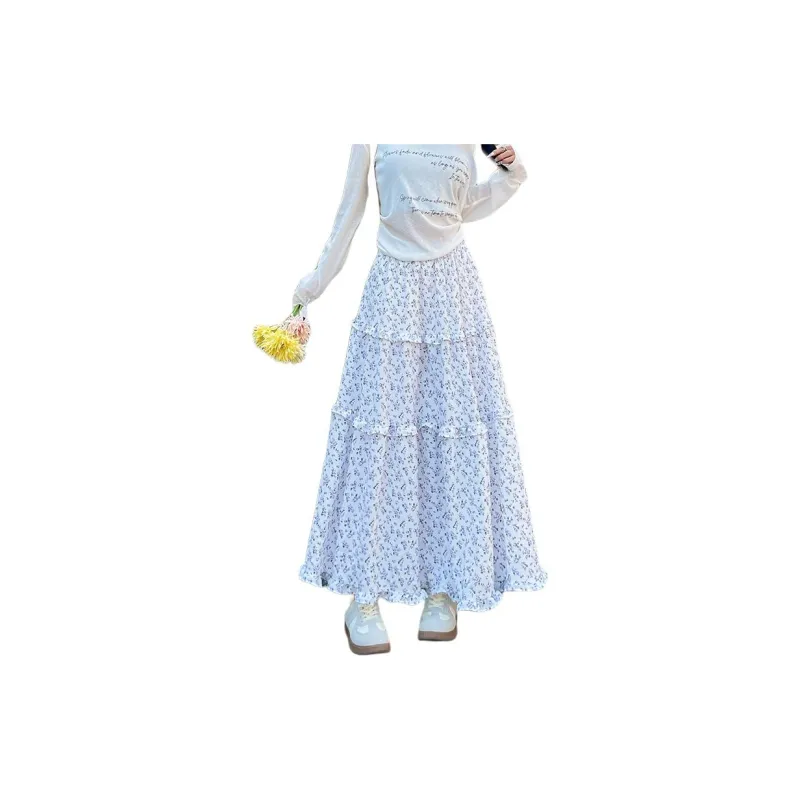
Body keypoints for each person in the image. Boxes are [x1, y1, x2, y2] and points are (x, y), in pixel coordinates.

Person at [292, 144, 547, 655]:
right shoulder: (372, 134)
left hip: (453, 297)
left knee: (449, 444)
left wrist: (512, 171)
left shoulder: (463, 134)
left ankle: (443, 586)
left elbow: (464, 208)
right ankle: (364, 595)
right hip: (392, 295)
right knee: (378, 444)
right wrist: (309, 291)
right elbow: (349, 215)